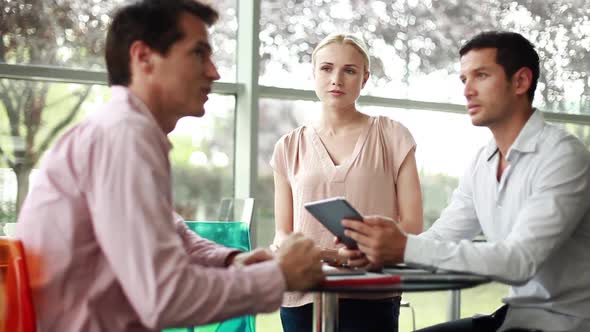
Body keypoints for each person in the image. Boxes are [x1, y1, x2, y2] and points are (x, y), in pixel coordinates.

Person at [14, 1, 324, 331]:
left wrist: (233, 259)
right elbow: (166, 297)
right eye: (198, 54)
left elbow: (168, 228)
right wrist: (278, 276)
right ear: (144, 57)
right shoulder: (124, 137)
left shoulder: (122, 130)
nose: (214, 72)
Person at [340, 31, 590, 332]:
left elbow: (519, 261)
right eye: (463, 80)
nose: (467, 91)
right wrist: (380, 251)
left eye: (481, 75)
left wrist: (404, 247)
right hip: (516, 316)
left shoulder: (563, 156)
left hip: (569, 323)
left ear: (521, 82)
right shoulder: (482, 162)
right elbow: (445, 235)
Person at [270, 33, 423, 332]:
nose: (336, 79)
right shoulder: (287, 147)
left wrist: (367, 251)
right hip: (303, 295)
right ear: (313, 74)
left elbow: (413, 226)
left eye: (349, 71)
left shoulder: (393, 136)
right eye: (326, 69)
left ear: (364, 79)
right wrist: (332, 256)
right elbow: (282, 233)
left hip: (372, 293)